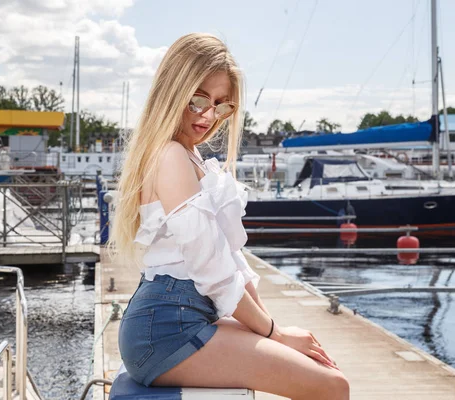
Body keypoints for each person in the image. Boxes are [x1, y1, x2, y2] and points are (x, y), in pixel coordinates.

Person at [109, 33, 349, 400]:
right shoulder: (170, 156)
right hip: (165, 330)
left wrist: (273, 329)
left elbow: (230, 259)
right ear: (173, 89)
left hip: (185, 318)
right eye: (199, 100)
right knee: (331, 387)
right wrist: (274, 334)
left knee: (323, 374)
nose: (209, 115)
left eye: (222, 106)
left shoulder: (189, 157)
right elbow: (212, 269)